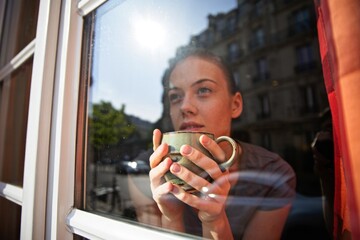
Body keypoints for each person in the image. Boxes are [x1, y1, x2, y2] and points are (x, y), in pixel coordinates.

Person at [129, 47, 296, 239]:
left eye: (203, 90)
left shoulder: (273, 174)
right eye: (175, 96)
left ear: (235, 105)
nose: (185, 107)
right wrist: (171, 216)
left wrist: (215, 221)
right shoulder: (144, 171)